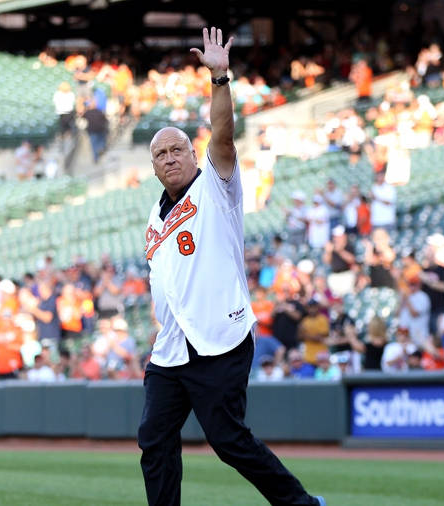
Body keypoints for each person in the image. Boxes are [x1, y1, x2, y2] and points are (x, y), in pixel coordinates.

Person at [137, 27, 323, 506]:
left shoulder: (215, 187)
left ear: (193, 154)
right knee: (153, 438)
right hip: (173, 346)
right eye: (161, 153)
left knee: (228, 441)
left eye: (177, 148)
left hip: (220, 337)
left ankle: (301, 504)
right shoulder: (154, 218)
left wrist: (219, 78)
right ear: (154, 167)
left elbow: (223, 135)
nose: (170, 157)